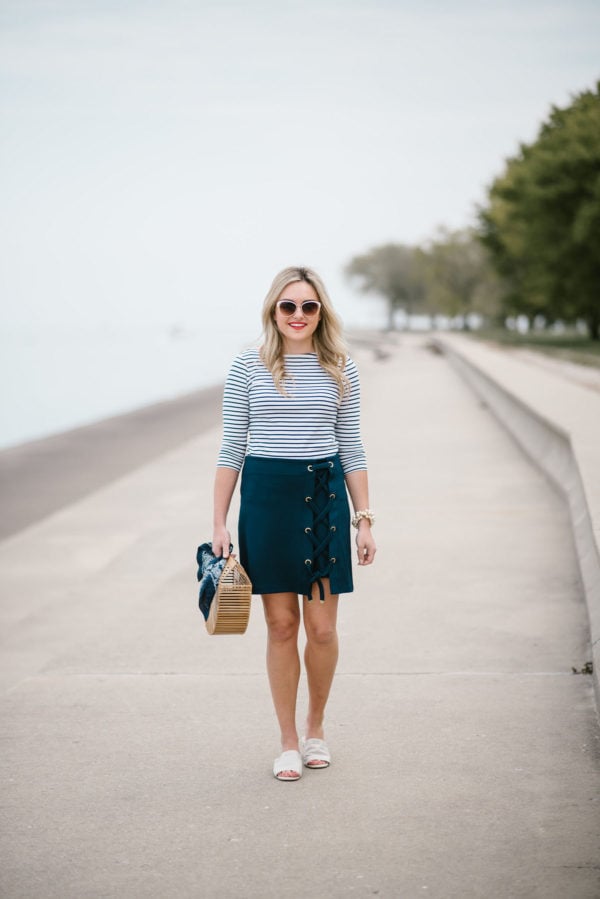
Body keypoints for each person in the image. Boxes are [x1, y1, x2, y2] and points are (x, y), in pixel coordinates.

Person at [212, 266, 376, 781]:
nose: (298, 315)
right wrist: (218, 522)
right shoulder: (248, 366)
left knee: (322, 630)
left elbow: (351, 445)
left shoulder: (340, 367)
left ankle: (316, 729)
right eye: (289, 306)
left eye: (308, 306)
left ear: (321, 311)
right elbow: (231, 447)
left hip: (323, 504)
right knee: (280, 626)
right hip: (265, 502)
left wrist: (364, 520)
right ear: (273, 311)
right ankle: (286, 741)